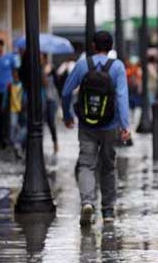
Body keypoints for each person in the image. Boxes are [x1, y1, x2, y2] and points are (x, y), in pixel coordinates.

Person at [62, 31, 130, 225]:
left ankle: (87, 202)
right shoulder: (117, 67)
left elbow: (66, 91)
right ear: (111, 47)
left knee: (86, 164)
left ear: (93, 45)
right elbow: (122, 97)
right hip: (111, 125)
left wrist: (67, 115)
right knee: (108, 167)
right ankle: (108, 212)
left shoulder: (83, 65)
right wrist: (125, 125)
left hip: (86, 124)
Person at [5, 70, 26, 159]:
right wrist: (4, 105)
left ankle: (18, 144)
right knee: (13, 126)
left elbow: (25, 95)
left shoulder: (23, 85)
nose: (16, 76)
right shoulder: (10, 85)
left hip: (22, 109)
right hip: (13, 109)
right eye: (14, 75)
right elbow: (6, 96)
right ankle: (15, 144)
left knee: (23, 128)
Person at [42, 54, 59, 154]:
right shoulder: (37, 69)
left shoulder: (51, 69)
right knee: (41, 122)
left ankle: (55, 142)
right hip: (41, 99)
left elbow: (56, 83)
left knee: (51, 122)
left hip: (51, 99)